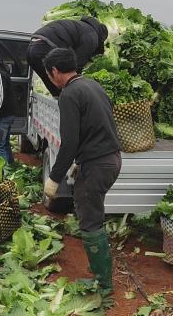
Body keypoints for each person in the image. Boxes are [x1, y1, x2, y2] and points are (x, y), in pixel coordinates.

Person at [42, 48, 122, 296]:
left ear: (54, 71)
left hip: (98, 164)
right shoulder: (92, 85)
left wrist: (54, 178)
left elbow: (69, 143)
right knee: (92, 212)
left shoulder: (69, 94)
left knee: (89, 220)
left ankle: (103, 285)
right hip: (111, 159)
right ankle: (102, 279)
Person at [27, 16, 108, 97]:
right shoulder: (91, 35)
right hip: (46, 46)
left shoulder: (80, 26)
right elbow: (77, 64)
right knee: (65, 75)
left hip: (31, 47)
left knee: (50, 81)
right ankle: (67, 98)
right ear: (101, 37)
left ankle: (58, 97)